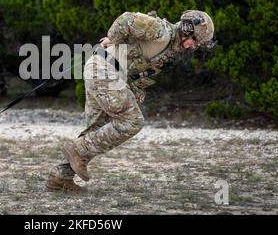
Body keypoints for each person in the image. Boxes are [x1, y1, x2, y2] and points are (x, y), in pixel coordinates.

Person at [46, 10, 215, 192]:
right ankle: (77, 150)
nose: (193, 47)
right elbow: (126, 19)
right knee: (132, 121)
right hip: (105, 70)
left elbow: (136, 67)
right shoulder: (162, 32)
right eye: (195, 41)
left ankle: (60, 177)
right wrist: (112, 39)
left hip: (104, 71)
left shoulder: (170, 47)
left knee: (96, 131)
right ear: (187, 29)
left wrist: (134, 91)